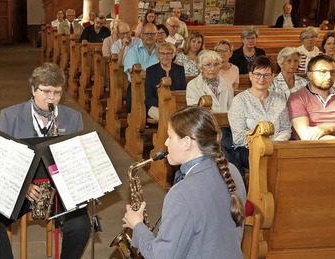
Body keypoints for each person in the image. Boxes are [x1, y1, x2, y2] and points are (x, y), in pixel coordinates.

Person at [0, 63, 90, 259]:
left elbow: (77, 163)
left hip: (59, 191)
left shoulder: (73, 118)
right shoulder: (9, 116)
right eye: (46, 91)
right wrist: (23, 186)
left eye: (57, 93)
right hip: (22, 190)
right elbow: (0, 161)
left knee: (81, 226)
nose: (52, 98)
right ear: (33, 89)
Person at [122, 105, 246, 258]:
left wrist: (137, 225)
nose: (166, 143)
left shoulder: (180, 194)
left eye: (170, 137)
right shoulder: (232, 171)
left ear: (187, 142)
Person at [228, 56, 291, 171]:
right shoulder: (239, 101)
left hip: (277, 148)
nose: (261, 79)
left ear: (272, 77)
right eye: (257, 74)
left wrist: (274, 145)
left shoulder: (280, 99)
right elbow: (238, 137)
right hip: (248, 151)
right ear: (251, 76)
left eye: (266, 75)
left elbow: (286, 129)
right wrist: (263, 146)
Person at [287, 54, 335, 140]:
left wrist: (328, 129)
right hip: (310, 150)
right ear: (310, 75)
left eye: (333, 72)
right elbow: (307, 136)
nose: (329, 76)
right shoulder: (297, 98)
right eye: (323, 72)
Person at [145, 42, 187, 121]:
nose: (165, 56)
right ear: (158, 54)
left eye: (168, 53)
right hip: (155, 106)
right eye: (162, 53)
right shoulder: (151, 70)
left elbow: (183, 90)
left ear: (173, 54)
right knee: (166, 116)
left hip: (176, 106)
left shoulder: (179, 69)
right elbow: (149, 95)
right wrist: (162, 106)